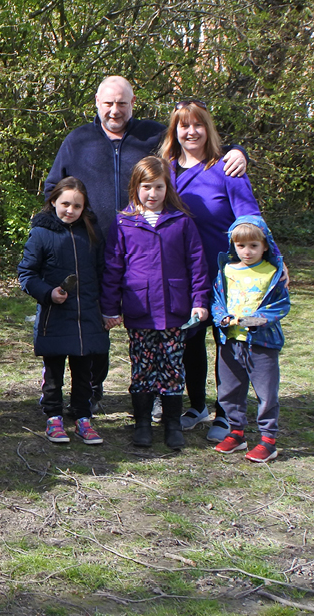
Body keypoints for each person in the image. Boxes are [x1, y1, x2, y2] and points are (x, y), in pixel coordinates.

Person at [44, 75, 248, 416]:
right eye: (108, 103)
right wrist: (54, 233)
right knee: (98, 321)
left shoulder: (152, 136)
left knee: (160, 324)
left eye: (122, 103)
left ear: (132, 102)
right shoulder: (78, 140)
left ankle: (162, 393)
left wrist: (236, 151)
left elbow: (196, 147)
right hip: (91, 248)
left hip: (152, 250)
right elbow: (54, 187)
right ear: (96, 102)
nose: (114, 110)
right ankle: (92, 390)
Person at [158, 99, 262, 442]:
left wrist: (273, 260)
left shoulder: (227, 168)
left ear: (208, 128)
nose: (191, 132)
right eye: (183, 125)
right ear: (175, 130)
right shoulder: (166, 169)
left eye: (198, 124)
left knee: (227, 342)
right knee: (189, 341)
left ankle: (228, 415)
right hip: (181, 274)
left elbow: (251, 220)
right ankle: (197, 406)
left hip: (226, 276)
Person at [100, 156, 209, 450]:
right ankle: (143, 423)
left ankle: (172, 424)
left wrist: (200, 301)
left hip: (175, 310)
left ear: (167, 188)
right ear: (136, 187)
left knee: (172, 369)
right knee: (143, 369)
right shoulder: (124, 222)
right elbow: (113, 268)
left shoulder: (181, 221)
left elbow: (197, 264)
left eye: (158, 187)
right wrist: (110, 308)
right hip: (139, 311)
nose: (152, 193)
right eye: (146, 187)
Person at [18, 177, 109, 444]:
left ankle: (83, 417)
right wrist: (48, 293)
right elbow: (27, 274)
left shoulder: (91, 232)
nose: (70, 210)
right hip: (54, 316)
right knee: (54, 372)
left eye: (77, 206)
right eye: (65, 204)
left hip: (88, 316)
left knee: (84, 373)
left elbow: (103, 271)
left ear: (84, 208)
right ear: (53, 201)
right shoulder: (41, 233)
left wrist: (109, 308)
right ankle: (53, 417)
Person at [211, 216, 289, 463]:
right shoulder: (226, 270)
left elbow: (280, 306)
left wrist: (252, 321)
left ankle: (268, 440)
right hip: (230, 342)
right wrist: (222, 318)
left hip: (262, 344)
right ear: (233, 245)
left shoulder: (274, 273)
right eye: (241, 246)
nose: (247, 251)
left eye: (253, 246)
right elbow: (216, 302)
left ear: (265, 246)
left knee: (266, 392)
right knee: (229, 390)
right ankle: (236, 432)